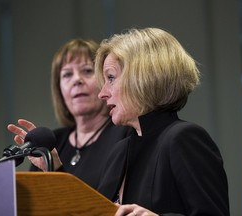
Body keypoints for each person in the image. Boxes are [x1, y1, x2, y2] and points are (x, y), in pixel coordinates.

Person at [95, 28, 230, 215]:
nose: (102, 93)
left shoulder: (184, 138)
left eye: (111, 78)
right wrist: (55, 168)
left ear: (143, 77)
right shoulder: (120, 151)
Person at [7, 39, 132, 190]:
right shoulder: (51, 143)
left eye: (87, 71)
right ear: (59, 88)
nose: (77, 80)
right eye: (67, 75)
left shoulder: (125, 134)